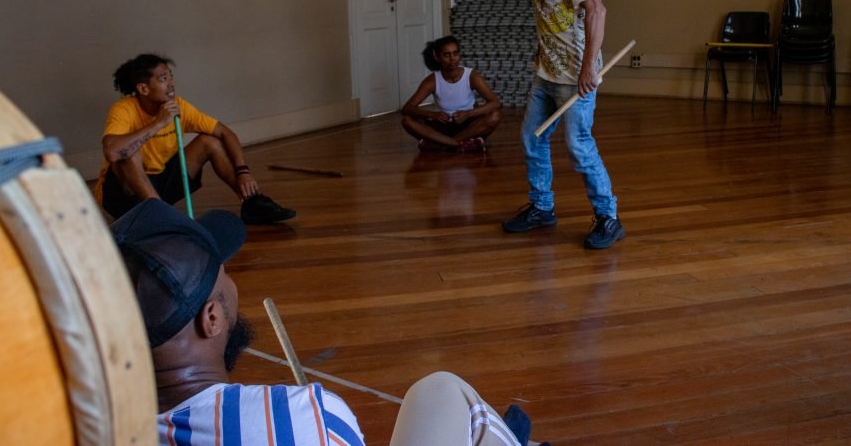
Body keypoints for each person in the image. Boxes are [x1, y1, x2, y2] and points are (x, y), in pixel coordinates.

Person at [110, 198, 537, 446]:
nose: (230, 281)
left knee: (439, 394)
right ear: (212, 318)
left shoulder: (78, 427)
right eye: (224, 274)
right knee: (445, 393)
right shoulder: (301, 416)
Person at [473, 0, 624, 249]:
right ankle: (542, 207)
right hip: (547, 71)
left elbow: (596, 10)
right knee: (532, 138)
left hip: (575, 76)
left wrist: (589, 68)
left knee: (578, 146)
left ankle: (609, 217)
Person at [94, 53, 295, 224]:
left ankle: (252, 204)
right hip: (125, 195)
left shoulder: (179, 106)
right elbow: (112, 152)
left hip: (159, 185)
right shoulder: (123, 110)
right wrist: (158, 123)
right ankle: (163, 218)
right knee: (128, 154)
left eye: (170, 77)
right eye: (163, 79)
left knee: (210, 142)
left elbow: (226, 133)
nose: (171, 83)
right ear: (143, 89)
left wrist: (243, 172)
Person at [401, 35, 502, 152]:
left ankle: (442, 144)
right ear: (437, 57)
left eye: (455, 53)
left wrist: (468, 114)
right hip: (442, 126)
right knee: (407, 120)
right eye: (446, 55)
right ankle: (460, 144)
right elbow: (407, 108)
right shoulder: (432, 80)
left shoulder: (471, 76)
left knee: (495, 116)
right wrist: (431, 115)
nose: (452, 58)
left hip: (468, 125)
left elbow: (495, 103)